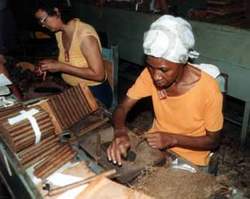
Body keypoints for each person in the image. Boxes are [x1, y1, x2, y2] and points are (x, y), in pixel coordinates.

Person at [107, 15, 223, 169]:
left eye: (164, 69)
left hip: (190, 154)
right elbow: (122, 108)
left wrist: (173, 139)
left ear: (182, 62)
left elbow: (213, 141)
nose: (156, 76)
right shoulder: (150, 75)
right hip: (155, 143)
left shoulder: (208, 89)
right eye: (150, 66)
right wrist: (120, 132)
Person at [34, 1, 113, 108]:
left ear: (57, 12)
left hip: (94, 94)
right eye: (40, 22)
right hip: (73, 89)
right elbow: (71, 59)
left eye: (43, 20)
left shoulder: (85, 36)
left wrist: (61, 67)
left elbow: (99, 75)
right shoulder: (59, 32)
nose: (43, 25)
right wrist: (51, 63)